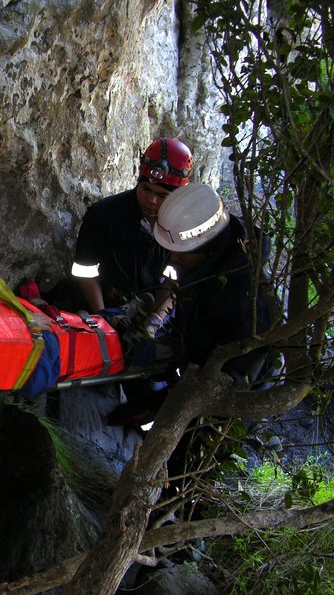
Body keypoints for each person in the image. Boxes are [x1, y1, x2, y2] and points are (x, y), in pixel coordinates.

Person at [107, 182, 273, 425]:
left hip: (225, 414)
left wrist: (158, 404)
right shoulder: (205, 266)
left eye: (181, 253)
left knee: (184, 456)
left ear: (208, 249)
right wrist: (166, 346)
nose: (173, 258)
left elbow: (228, 384)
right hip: (194, 372)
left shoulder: (246, 302)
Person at [71, 137, 193, 321]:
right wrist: (102, 316)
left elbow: (172, 280)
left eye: (162, 196)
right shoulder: (104, 215)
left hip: (151, 307)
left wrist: (156, 320)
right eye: (146, 189)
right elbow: (84, 271)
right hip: (103, 304)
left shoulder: (181, 229)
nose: (152, 200)